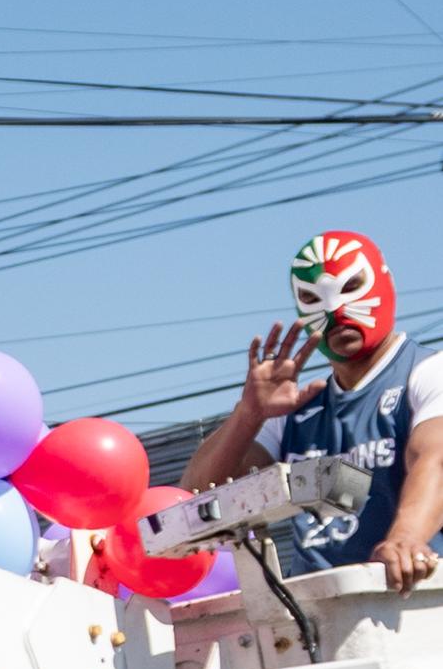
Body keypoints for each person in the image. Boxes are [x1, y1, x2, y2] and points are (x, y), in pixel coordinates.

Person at [184, 227, 443, 590]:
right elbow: (195, 497)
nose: (335, 310)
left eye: (351, 286)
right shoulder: (295, 408)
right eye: (312, 298)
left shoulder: (429, 372)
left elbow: (434, 459)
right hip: (315, 608)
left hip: (412, 600)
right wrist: (247, 416)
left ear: (387, 284)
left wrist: (406, 539)